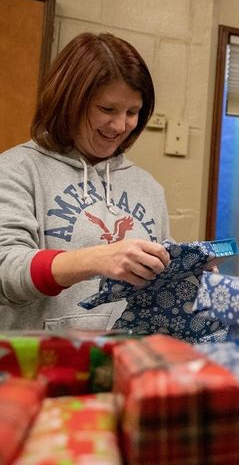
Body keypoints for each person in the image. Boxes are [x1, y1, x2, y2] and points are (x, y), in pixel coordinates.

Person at [0, 32, 171, 331]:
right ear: (69, 101)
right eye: (107, 109)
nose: (120, 126)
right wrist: (96, 259)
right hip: (39, 367)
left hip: (127, 363)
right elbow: (6, 272)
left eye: (132, 112)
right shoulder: (16, 169)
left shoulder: (149, 187)